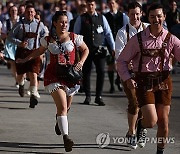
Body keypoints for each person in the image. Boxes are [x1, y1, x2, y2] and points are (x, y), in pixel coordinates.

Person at [16, 10, 89, 152]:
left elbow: (85, 49)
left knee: (66, 109)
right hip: (54, 76)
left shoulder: (74, 37)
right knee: (62, 107)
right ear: (55, 23)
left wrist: (81, 62)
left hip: (71, 76)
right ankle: (66, 137)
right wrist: (24, 59)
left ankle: (59, 120)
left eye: (66, 22)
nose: (64, 24)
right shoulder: (48, 40)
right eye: (61, 22)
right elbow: (38, 51)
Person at [117, 3, 180, 154]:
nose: (156, 20)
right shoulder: (138, 39)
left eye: (159, 16)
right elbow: (121, 61)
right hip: (144, 82)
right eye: (152, 17)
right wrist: (127, 78)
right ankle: (141, 124)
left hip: (164, 82)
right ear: (148, 18)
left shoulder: (171, 39)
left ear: (164, 17)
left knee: (164, 123)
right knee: (151, 121)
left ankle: (160, 151)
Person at [115, 2, 149, 149]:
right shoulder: (123, 33)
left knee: (146, 104)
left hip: (147, 74)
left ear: (141, 13)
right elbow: (119, 56)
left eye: (137, 13)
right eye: (132, 14)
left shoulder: (149, 28)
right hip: (128, 74)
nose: (135, 17)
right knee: (134, 103)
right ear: (127, 15)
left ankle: (141, 129)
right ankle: (131, 132)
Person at [74, 0, 115, 106]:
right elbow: (76, 34)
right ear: (86, 6)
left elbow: (108, 32)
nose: (91, 6)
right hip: (86, 50)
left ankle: (98, 96)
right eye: (89, 5)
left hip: (99, 50)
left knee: (101, 71)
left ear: (95, 5)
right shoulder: (81, 18)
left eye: (92, 4)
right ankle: (88, 96)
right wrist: (76, 49)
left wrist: (113, 47)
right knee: (86, 72)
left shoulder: (102, 17)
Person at [8, 5, 46, 108]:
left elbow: (45, 36)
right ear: (25, 13)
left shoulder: (40, 25)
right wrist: (19, 43)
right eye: (28, 12)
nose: (30, 14)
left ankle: (33, 96)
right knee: (20, 74)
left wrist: (43, 48)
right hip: (22, 53)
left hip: (35, 53)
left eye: (32, 12)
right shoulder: (19, 25)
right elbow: (10, 37)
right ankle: (21, 84)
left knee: (34, 74)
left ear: (34, 13)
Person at [104, 0, 129, 93]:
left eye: (113, 3)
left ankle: (118, 80)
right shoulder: (105, 16)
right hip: (109, 44)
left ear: (117, 5)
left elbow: (126, 29)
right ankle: (111, 86)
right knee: (110, 64)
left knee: (120, 64)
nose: (111, 5)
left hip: (120, 42)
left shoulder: (122, 16)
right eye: (110, 3)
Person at [2, 5, 20, 88]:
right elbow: (3, 34)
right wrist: (7, 35)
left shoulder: (21, 21)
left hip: (19, 44)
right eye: (12, 10)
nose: (14, 12)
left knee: (19, 62)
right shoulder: (7, 22)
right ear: (9, 12)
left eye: (15, 10)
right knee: (13, 62)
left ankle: (21, 78)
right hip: (10, 45)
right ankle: (17, 80)